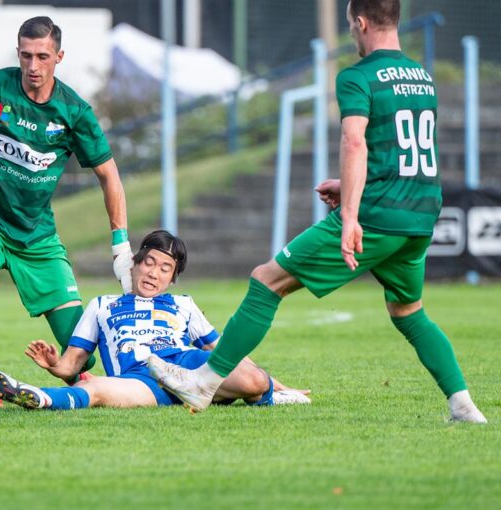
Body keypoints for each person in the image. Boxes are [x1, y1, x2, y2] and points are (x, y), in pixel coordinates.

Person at [147, 0, 487, 423]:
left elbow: (355, 142)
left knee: (266, 281)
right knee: (408, 312)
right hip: (419, 214)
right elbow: (402, 154)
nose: (351, 33)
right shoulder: (422, 77)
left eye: (350, 25)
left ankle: (204, 382)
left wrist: (350, 216)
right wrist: (349, 187)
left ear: (360, 22)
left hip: (377, 216)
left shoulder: (357, 76)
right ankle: (463, 405)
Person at [0, 16, 134, 411]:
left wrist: (120, 246)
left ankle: (88, 383)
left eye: (42, 56)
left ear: (59, 57)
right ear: (18, 53)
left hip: (36, 235)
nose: (33, 65)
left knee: (80, 350)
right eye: (26, 55)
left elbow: (110, 176)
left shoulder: (74, 112)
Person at [0, 230, 311, 411]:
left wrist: (276, 383)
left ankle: (267, 394)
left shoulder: (183, 304)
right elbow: (71, 366)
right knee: (94, 389)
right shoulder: (102, 305)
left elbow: (228, 352)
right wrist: (54, 364)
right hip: (141, 379)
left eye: (165, 269)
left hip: (190, 366)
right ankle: (37, 396)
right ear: (136, 263)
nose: (154, 273)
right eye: (149, 263)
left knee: (253, 380)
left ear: (172, 279)